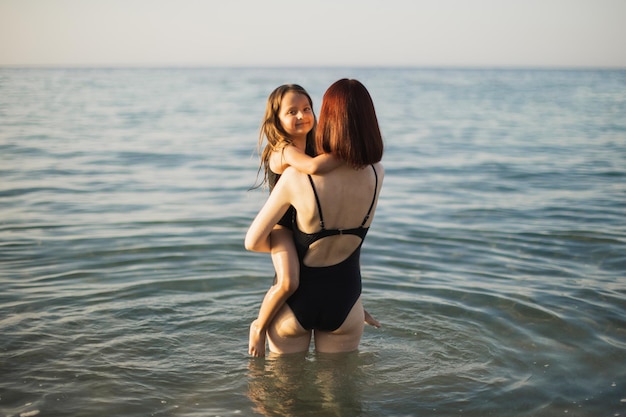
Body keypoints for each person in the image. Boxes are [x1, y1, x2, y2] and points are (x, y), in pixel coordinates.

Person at [245, 79, 384, 355]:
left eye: (308, 109)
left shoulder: (298, 177)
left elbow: (251, 241)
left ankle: (259, 326)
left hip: (296, 305)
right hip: (346, 301)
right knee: (341, 397)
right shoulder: (378, 172)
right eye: (292, 112)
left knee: (281, 396)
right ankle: (258, 325)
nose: (303, 116)